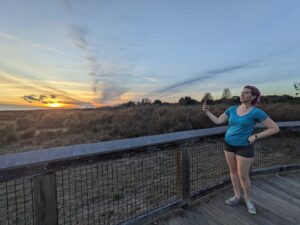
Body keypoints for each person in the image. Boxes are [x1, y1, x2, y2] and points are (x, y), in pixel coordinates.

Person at [202, 85, 279, 214]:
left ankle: (249, 201)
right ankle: (237, 196)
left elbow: (275, 128)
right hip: (228, 145)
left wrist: (255, 136)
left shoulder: (256, 112)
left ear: (253, 96)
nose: (242, 95)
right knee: (232, 171)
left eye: (246, 93)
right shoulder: (232, 109)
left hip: (244, 147)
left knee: (243, 175)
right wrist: (207, 112)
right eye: (242, 93)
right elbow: (218, 121)